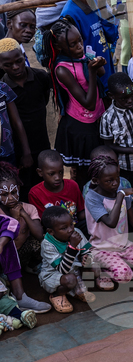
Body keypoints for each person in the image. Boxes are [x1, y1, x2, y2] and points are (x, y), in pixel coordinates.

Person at [83, 156, 133, 289]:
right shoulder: (92, 197)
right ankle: (101, 269)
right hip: (102, 249)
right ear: (96, 181)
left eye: (117, 178)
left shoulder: (118, 187)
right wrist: (120, 195)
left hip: (124, 246)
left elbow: (132, 218)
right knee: (124, 275)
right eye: (109, 181)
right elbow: (111, 222)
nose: (115, 183)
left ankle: (122, 263)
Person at [46, 17, 106, 177]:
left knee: (98, 169)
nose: (80, 46)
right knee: (86, 172)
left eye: (80, 40)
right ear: (59, 46)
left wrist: (97, 63)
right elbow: (89, 104)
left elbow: (102, 72)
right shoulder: (62, 69)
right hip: (80, 125)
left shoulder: (82, 56)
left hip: (95, 119)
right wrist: (92, 71)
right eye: (73, 44)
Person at [60, 0, 118, 92]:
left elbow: (112, 36)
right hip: (92, 81)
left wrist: (103, 8)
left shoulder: (96, 0)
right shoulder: (70, 14)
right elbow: (74, 56)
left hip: (107, 72)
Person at [0, 38, 51, 189]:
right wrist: (24, 152)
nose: (15, 67)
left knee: (44, 181)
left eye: (19, 61)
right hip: (18, 147)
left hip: (41, 141)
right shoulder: (4, 87)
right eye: (8, 65)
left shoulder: (40, 77)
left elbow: (45, 99)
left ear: (23, 56)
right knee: (24, 184)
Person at [38, 205, 95, 313]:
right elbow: (62, 270)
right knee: (70, 280)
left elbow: (87, 251)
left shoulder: (76, 232)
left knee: (95, 266)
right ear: (51, 231)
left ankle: (75, 290)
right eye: (64, 228)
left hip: (73, 270)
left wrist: (87, 258)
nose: (70, 230)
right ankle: (57, 294)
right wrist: (72, 248)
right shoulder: (47, 244)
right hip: (53, 275)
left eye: (71, 225)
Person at [0, 163, 43, 276]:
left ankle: (30, 266)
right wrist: (14, 218)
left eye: (13, 192)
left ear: (18, 189)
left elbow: (39, 234)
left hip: (23, 254)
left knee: (43, 242)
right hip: (5, 256)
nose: (10, 198)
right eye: (4, 194)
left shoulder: (29, 208)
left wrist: (23, 213)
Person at [29, 151, 85, 230]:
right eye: (52, 174)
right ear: (40, 172)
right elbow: (44, 223)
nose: (57, 178)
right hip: (55, 232)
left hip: (75, 227)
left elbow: (81, 213)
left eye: (61, 172)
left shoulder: (73, 185)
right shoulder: (35, 193)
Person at [0, 39, 31, 173]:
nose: (15, 67)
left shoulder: (3, 89)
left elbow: (16, 121)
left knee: (10, 187)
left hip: (7, 152)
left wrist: (26, 152)